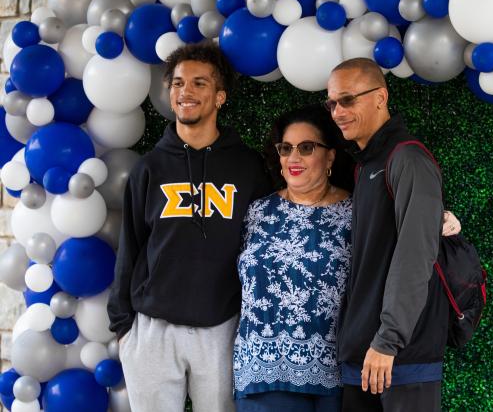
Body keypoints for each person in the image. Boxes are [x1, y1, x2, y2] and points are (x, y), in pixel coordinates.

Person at [233, 105, 460, 412]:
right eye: (286, 148)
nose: (294, 157)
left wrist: (441, 218)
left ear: (330, 157)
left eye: (307, 147)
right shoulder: (255, 212)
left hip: (338, 375)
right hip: (263, 373)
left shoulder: (355, 212)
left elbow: (399, 241)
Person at [107, 43, 271, 412]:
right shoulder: (149, 168)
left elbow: (260, 246)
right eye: (179, 83)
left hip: (220, 326)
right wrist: (123, 327)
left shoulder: (247, 167)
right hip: (152, 329)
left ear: (220, 96)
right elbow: (130, 244)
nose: (186, 91)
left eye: (199, 83)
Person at [327, 57, 453, 411]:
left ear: (380, 97)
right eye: (332, 102)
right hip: (362, 355)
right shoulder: (366, 165)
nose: (337, 112)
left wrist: (388, 340)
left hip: (401, 358)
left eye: (348, 100)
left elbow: (415, 256)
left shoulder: (408, 159)